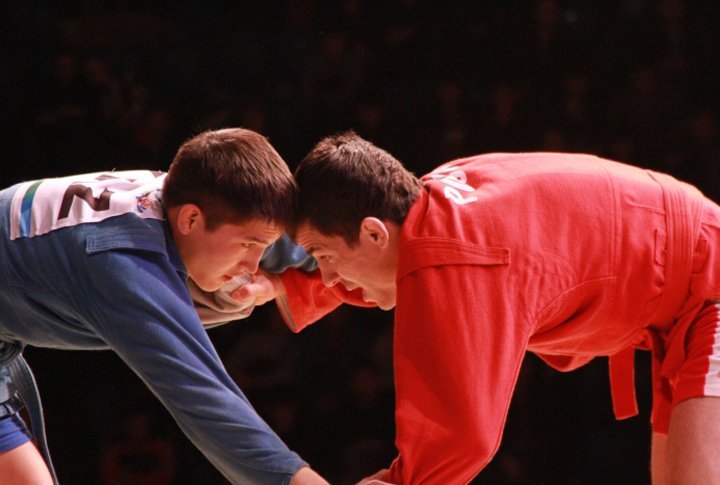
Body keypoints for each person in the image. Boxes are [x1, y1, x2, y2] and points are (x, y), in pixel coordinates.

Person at [276, 131, 720, 484]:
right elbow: (382, 267)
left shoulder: (455, 262)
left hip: (708, 284)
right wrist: (285, 288)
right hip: (682, 291)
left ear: (374, 233)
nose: (329, 277)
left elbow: (465, 437)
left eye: (325, 257)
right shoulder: (431, 197)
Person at [0, 128, 329, 484]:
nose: (253, 265)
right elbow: (206, 403)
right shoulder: (125, 265)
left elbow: (299, 242)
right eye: (248, 245)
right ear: (190, 219)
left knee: (229, 292)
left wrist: (383, 262)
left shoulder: (187, 196)